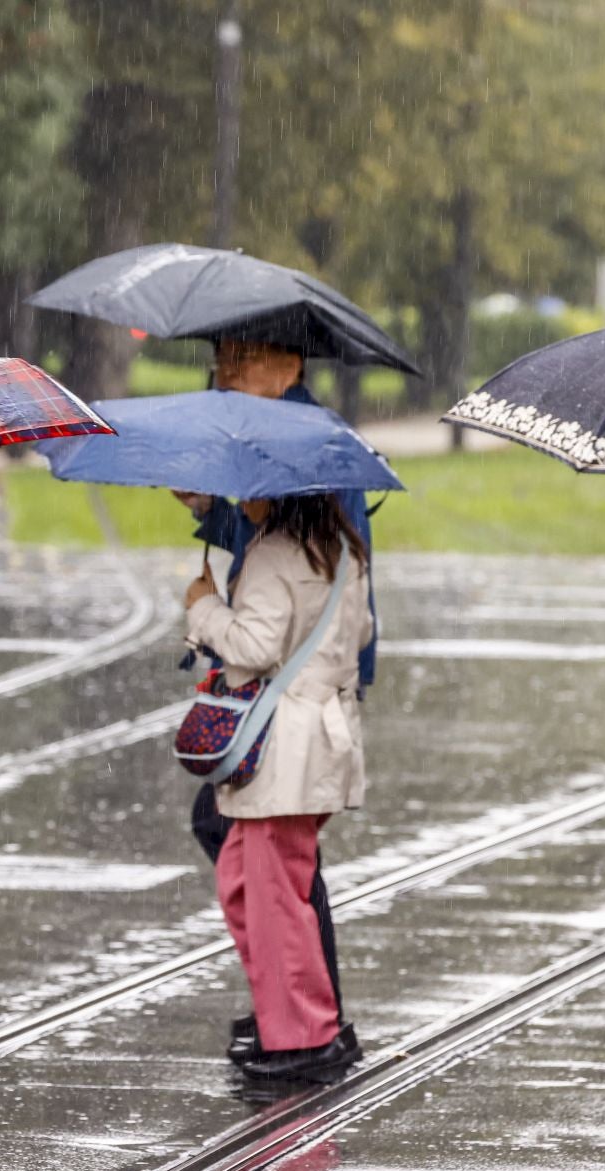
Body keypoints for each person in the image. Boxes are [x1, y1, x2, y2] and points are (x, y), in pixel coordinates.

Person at [178, 337, 377, 1070]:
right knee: (261, 878)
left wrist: (202, 610)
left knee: (271, 890)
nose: (241, 498)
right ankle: (293, 1016)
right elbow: (358, 628)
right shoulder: (336, 541)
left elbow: (254, 644)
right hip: (317, 733)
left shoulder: (278, 535)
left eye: (241, 360)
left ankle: (305, 1030)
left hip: (282, 746)